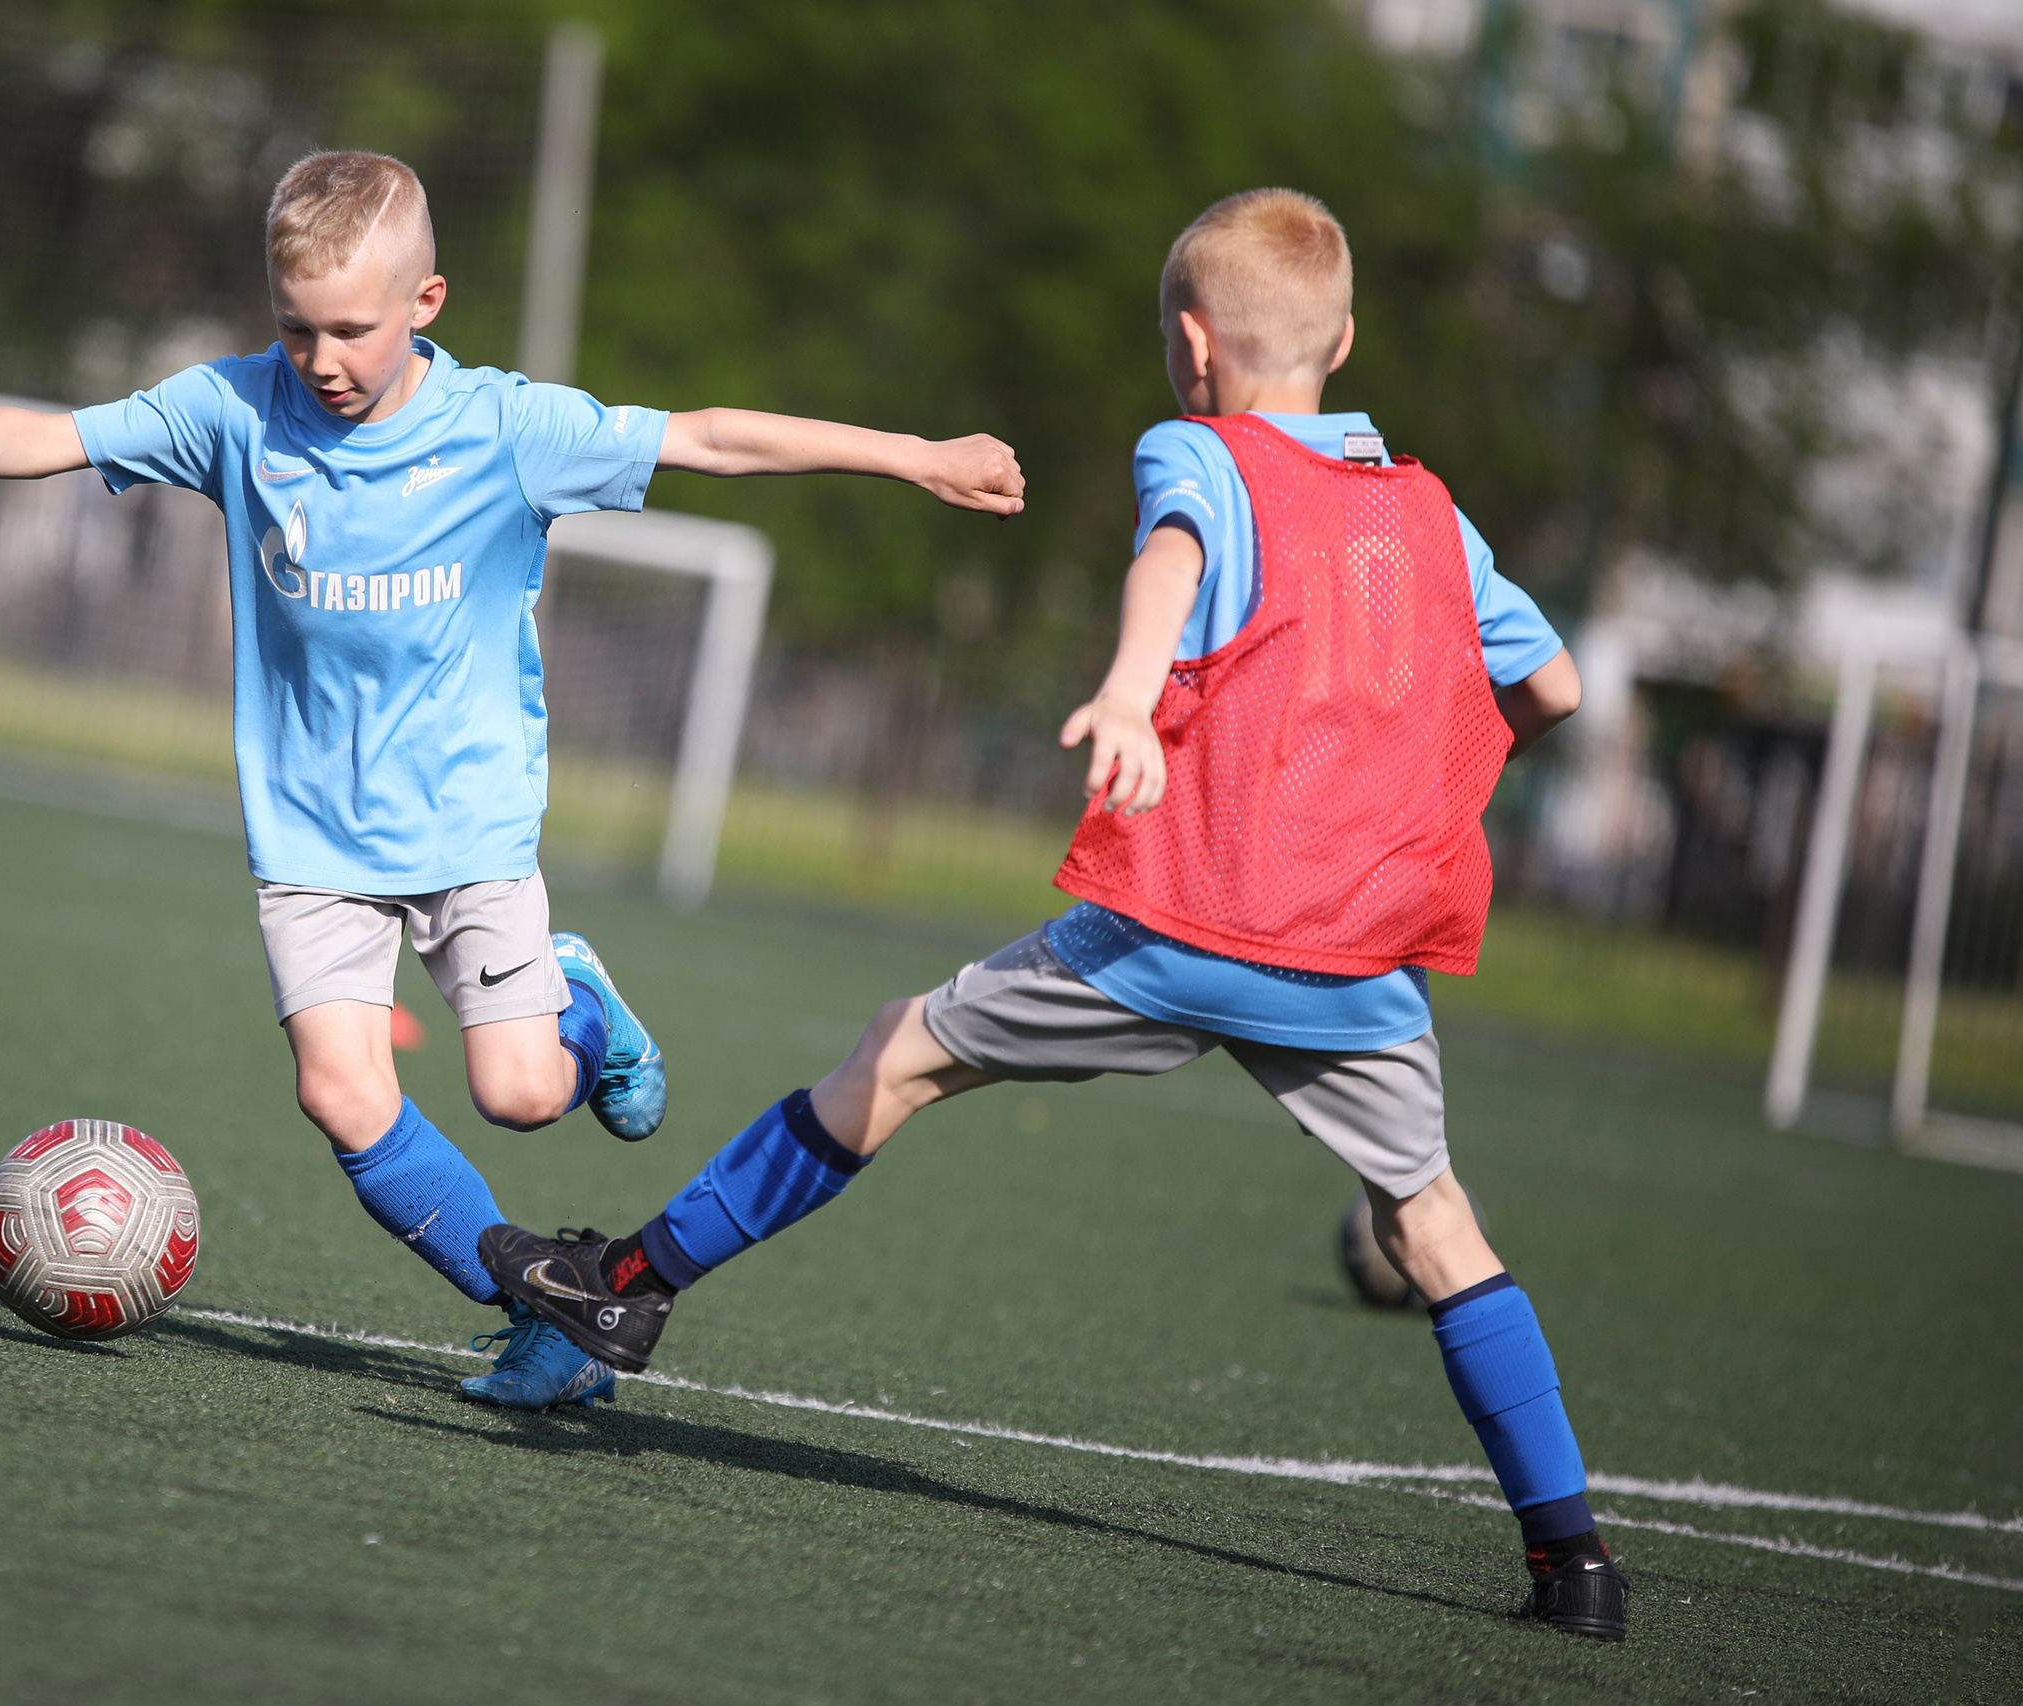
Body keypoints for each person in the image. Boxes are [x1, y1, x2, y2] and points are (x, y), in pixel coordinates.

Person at [477, 188, 1626, 1641]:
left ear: (1191, 345)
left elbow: (1174, 557)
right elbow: (1553, 687)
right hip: (1350, 952)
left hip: (1183, 920)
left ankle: (627, 1285)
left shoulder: (1198, 451)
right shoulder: (1427, 516)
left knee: (897, 1053)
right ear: (1344, 341)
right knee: (1437, 1223)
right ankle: (1574, 1561)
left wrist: (1135, 689)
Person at [0, 150, 1023, 1412]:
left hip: (468, 823)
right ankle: (544, 1308)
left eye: (351, 330)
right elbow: (58, 436)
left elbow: (711, 437)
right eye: (296, 328)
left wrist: (915, 455)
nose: (321, 359)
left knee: (522, 1095)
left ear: (425, 303)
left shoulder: (507, 430)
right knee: (340, 1092)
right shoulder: (233, 409)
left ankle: (581, 1000)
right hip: (309, 837)